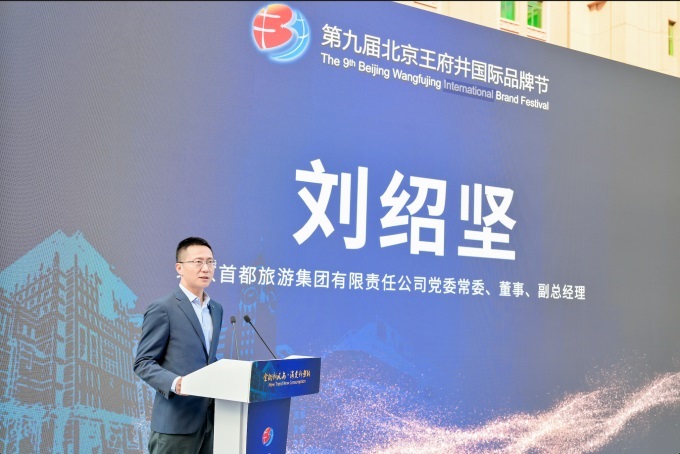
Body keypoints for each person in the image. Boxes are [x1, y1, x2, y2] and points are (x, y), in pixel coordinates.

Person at [134, 237, 224, 453]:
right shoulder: (162, 308)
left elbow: (207, 358)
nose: (206, 268)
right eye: (198, 262)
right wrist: (176, 383)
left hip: (210, 424)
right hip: (175, 424)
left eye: (210, 262)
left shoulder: (216, 309)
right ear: (179, 268)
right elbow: (143, 362)